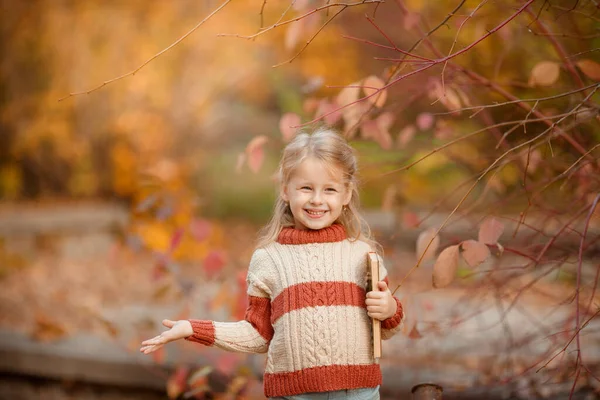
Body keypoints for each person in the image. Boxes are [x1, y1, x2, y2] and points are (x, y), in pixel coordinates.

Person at [140, 128, 404, 399]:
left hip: (358, 393)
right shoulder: (269, 259)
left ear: (346, 194)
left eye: (330, 189)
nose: (316, 199)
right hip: (294, 395)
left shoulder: (362, 255)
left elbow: (388, 328)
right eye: (305, 188)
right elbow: (258, 334)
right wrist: (194, 328)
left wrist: (390, 309)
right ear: (286, 190)